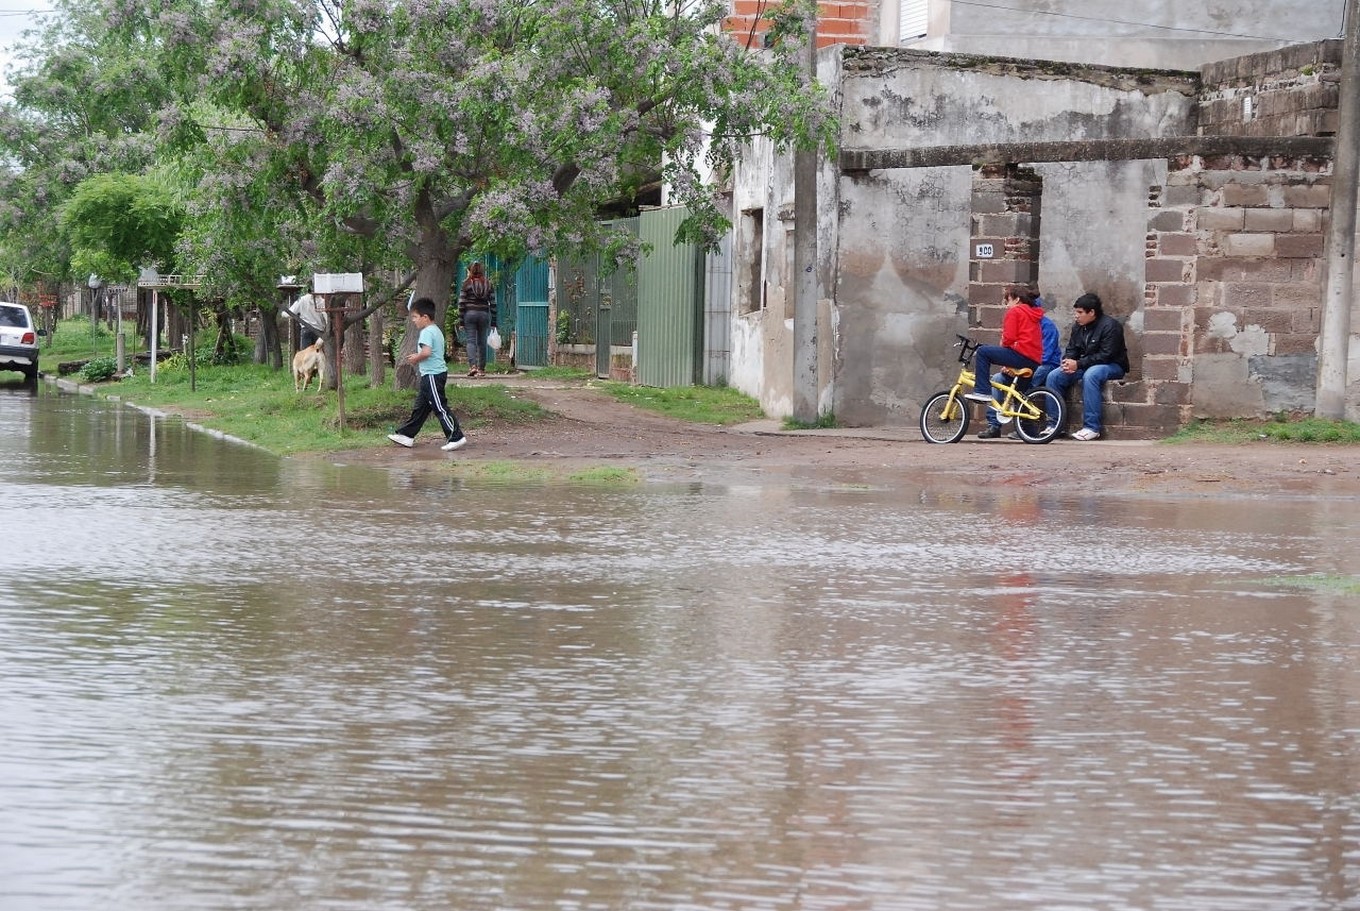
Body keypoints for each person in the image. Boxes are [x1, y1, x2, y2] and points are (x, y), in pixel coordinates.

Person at [1043, 292, 1130, 441]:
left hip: (1112, 365)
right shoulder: (1078, 327)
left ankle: (1092, 427)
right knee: (1054, 376)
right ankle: (1055, 425)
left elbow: (1106, 355)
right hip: (1085, 364)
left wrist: (1078, 364)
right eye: (1075, 312)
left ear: (1092, 312)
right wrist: (1068, 361)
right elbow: (1072, 348)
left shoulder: (1110, 326)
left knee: (1091, 375)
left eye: (1080, 312)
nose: (1076, 316)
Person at [387, 298, 469, 452]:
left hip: (432, 375)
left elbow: (426, 352)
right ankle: (406, 435)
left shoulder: (426, 332)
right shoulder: (436, 330)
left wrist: (415, 358)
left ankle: (456, 436)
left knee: (439, 407)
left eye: (415, 317)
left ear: (425, 317)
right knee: (420, 408)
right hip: (431, 375)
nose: (413, 321)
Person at [979, 289, 1061, 439]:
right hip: (1025, 361)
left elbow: (1045, 355)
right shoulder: (1028, 319)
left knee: (1026, 386)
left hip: (1043, 364)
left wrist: (1015, 365)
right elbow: (1011, 346)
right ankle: (994, 425)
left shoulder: (1045, 325)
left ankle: (1023, 425)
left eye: (1008, 301)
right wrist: (1009, 366)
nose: (1007, 305)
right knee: (998, 379)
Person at [964, 285, 1045, 419]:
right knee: (1021, 394)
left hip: (1021, 355)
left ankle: (982, 391)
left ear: (1017, 299)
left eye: (1008, 301)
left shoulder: (1015, 312)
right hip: (1033, 360)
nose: (1007, 305)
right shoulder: (1032, 313)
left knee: (983, 352)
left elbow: (1009, 338)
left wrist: (1004, 342)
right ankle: (1028, 431)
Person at [457, 262, 497, 378]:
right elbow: (493, 303)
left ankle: (472, 366)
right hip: (484, 314)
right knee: (482, 342)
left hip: (469, 314)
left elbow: (461, 303)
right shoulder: (488, 284)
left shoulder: (466, 284)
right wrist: (494, 321)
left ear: (470, 271)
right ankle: (481, 369)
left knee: (470, 341)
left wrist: (461, 320)